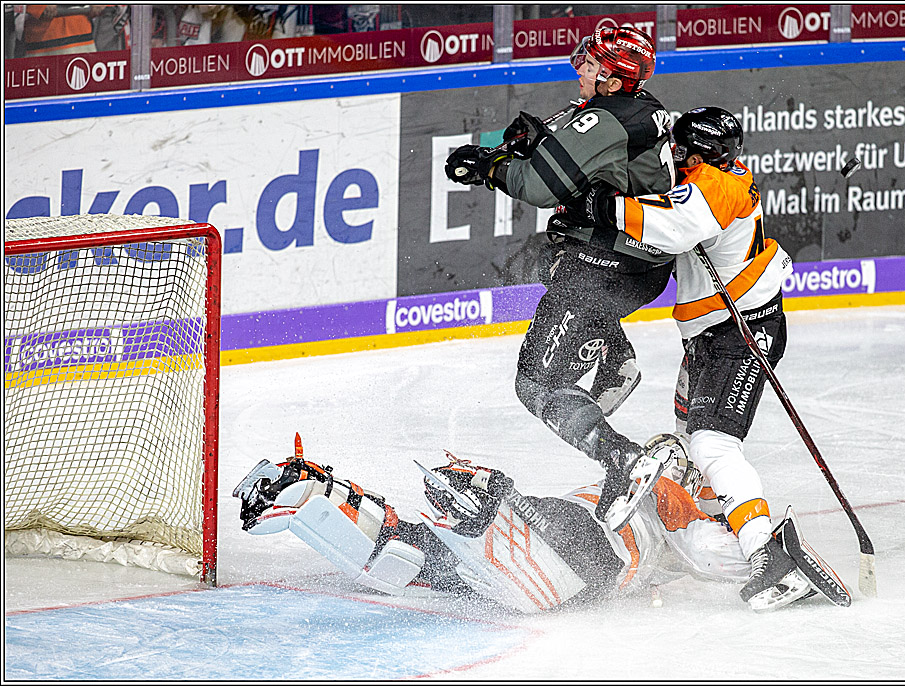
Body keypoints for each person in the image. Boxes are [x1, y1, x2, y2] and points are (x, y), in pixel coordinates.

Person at [557, 106, 822, 611]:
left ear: (697, 152)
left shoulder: (716, 187)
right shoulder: (709, 173)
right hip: (712, 331)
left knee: (712, 444)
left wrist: (603, 208)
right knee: (687, 432)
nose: (673, 153)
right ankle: (713, 518)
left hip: (741, 331)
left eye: (681, 148)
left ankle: (767, 554)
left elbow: (671, 229)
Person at [442, 27, 677, 529]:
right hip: (633, 264)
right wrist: (544, 142)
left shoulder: (606, 121)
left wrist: (489, 167)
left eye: (591, 65)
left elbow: (537, 186)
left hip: (610, 266)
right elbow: (592, 166)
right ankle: (616, 355)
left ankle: (623, 459)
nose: (580, 70)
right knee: (549, 266)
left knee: (537, 384)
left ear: (613, 81)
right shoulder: (641, 106)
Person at [232, 433, 848, 612]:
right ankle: (330, 500)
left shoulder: (665, 490)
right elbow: (710, 555)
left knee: (450, 535)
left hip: (576, 550)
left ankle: (477, 500)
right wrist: (771, 557)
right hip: (565, 581)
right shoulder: (666, 492)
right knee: (421, 560)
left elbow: (707, 550)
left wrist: (769, 554)